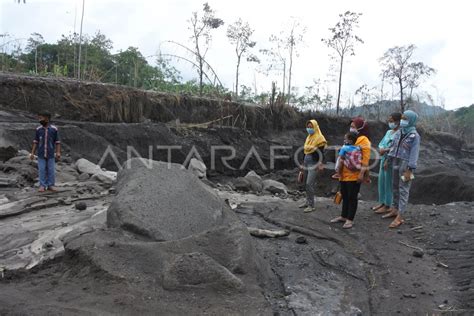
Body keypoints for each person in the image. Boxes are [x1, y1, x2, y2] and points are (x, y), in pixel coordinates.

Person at [330, 117, 371, 229]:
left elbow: (366, 160)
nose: (351, 128)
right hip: (344, 174)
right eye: (351, 126)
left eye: (354, 127)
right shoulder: (351, 139)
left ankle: (350, 219)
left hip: (354, 175)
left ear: (360, 128)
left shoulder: (364, 141)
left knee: (352, 197)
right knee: (345, 195)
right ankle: (343, 216)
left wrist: (362, 174)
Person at [384, 110, 420, 228]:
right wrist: (387, 160)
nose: (403, 121)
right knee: (394, 186)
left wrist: (410, 169)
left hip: (405, 164)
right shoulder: (399, 132)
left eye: (406, 119)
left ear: (411, 121)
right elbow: (393, 147)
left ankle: (400, 215)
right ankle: (394, 208)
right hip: (395, 160)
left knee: (403, 189)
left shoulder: (414, 136)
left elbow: (414, 153)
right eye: (402, 118)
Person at [372, 113, 402, 215]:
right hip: (383, 157)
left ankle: (388, 205)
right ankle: (382, 202)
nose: (390, 122)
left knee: (388, 182)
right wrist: (381, 149)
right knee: (382, 181)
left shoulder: (400, 133)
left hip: (391, 159)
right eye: (389, 120)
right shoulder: (389, 132)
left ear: (398, 121)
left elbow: (396, 147)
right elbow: (381, 143)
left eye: (392, 120)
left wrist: (385, 151)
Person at [299, 119, 327, 213]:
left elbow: (321, 152)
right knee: (305, 183)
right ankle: (307, 201)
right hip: (307, 161)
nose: (309, 129)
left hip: (314, 163)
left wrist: (320, 163)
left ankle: (311, 205)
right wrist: (303, 163)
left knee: (309, 183)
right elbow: (305, 151)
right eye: (308, 127)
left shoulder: (320, 138)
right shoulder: (309, 137)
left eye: (311, 127)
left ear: (315, 127)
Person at [30, 111, 61, 192]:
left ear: (47, 119)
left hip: (50, 154)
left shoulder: (54, 129)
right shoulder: (38, 129)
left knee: (51, 170)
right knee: (41, 169)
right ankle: (42, 185)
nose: (39, 120)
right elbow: (35, 141)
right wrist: (32, 153)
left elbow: (57, 142)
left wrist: (58, 152)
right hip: (40, 154)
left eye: (41, 118)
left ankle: (51, 185)